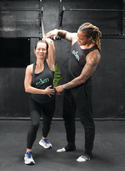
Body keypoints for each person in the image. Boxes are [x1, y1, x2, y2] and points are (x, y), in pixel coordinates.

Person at [44, 22, 102, 162]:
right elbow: (66, 34)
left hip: (81, 89)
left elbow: (82, 79)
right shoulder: (77, 37)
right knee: (67, 116)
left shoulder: (93, 55)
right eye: (78, 36)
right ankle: (71, 145)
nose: (78, 39)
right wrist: (56, 31)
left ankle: (88, 153)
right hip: (69, 87)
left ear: (90, 38)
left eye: (82, 38)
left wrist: (63, 87)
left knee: (86, 121)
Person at [23, 38, 56, 165]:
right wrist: (44, 92)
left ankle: (44, 139)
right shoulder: (30, 68)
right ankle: (28, 152)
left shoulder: (51, 63)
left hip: (50, 102)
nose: (41, 51)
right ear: (35, 51)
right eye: (39, 49)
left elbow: (52, 44)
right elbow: (27, 88)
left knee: (47, 124)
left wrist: (48, 38)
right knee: (35, 124)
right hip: (36, 101)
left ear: (46, 51)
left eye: (44, 49)